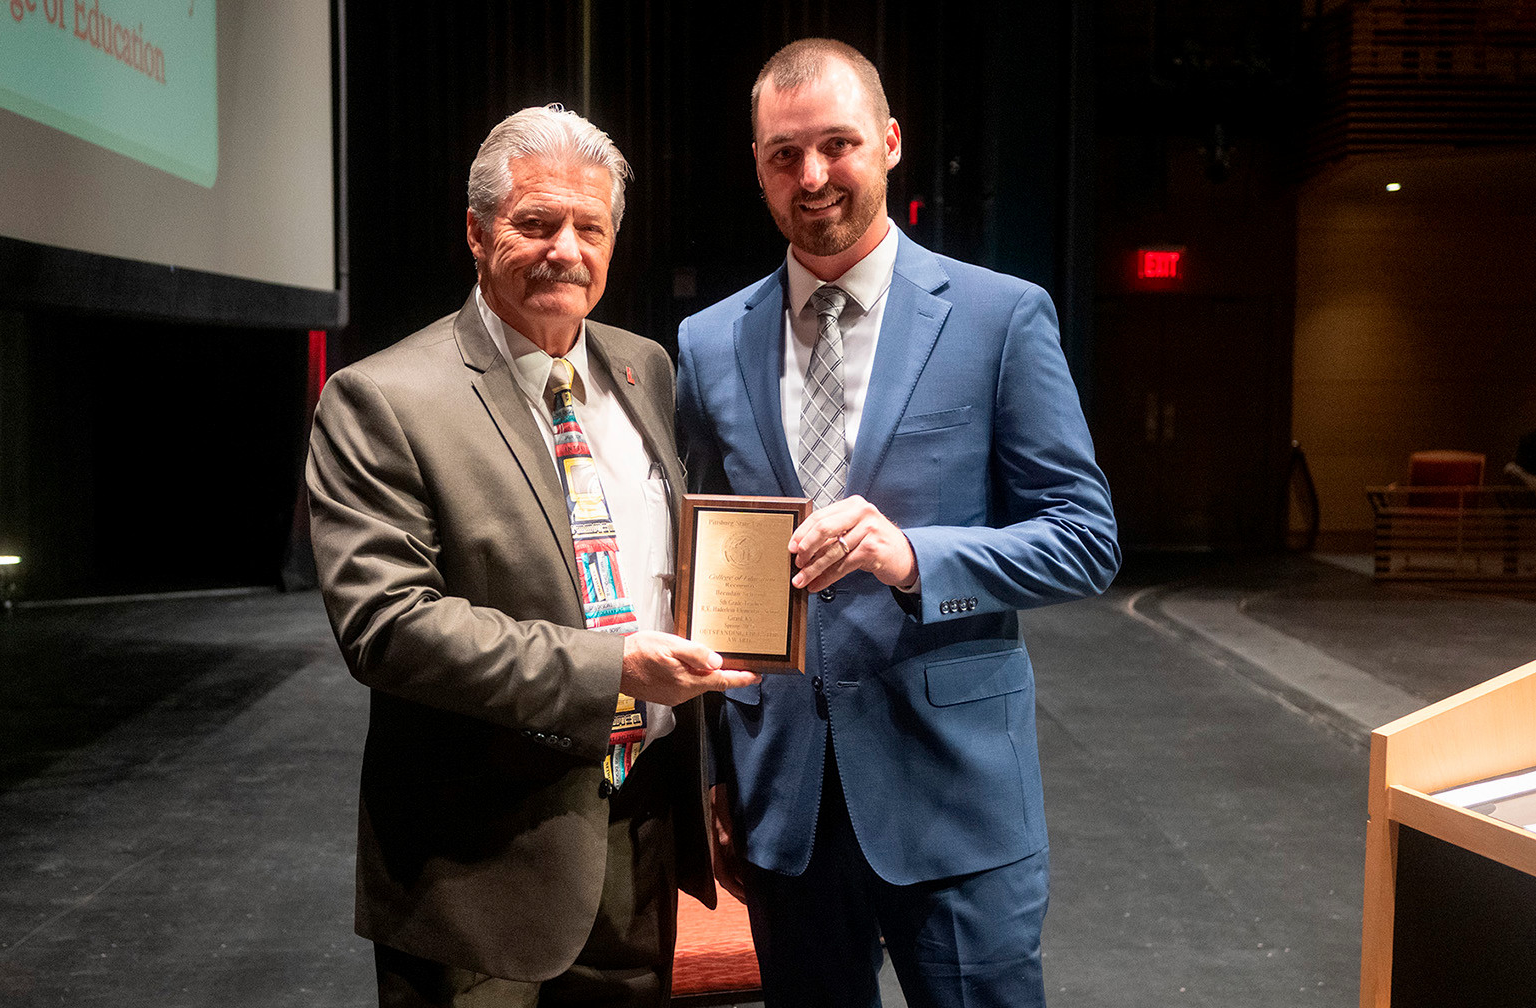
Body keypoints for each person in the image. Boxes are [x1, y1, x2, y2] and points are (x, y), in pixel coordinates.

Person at [675, 40, 1120, 1007]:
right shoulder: (709, 344)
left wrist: (915, 555)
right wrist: (713, 772)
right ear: (757, 165)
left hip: (955, 795)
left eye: (838, 144)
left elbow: (1086, 536)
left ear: (890, 141)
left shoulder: (1001, 317)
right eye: (784, 155)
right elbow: (706, 572)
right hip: (782, 797)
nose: (814, 175)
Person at [306, 104, 757, 1008]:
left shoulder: (644, 368)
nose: (566, 249)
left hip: (639, 832)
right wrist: (611, 670)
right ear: (476, 233)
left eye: (590, 227)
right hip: (477, 868)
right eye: (536, 223)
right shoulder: (380, 398)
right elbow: (388, 629)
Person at [1504, 392, 1536, 496]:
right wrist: (1535, 480)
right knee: (1510, 468)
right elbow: (1520, 465)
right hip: (1532, 482)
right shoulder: (1529, 438)